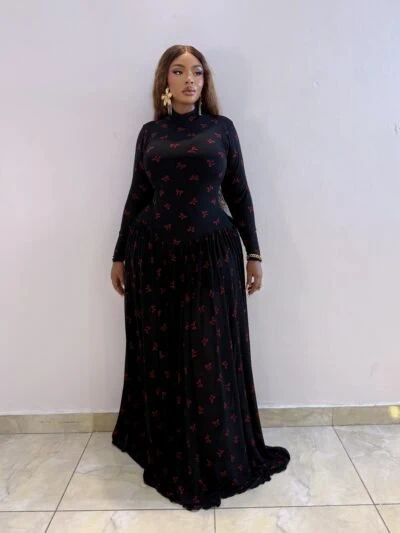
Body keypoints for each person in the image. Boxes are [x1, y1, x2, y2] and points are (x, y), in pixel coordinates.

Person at [110, 44, 290, 511]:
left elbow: (240, 193)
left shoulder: (222, 129)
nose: (189, 79)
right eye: (178, 71)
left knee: (208, 353)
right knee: (163, 350)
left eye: (197, 72)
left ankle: (216, 453)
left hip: (212, 257)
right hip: (154, 257)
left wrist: (254, 253)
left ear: (205, 82)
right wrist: (119, 254)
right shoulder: (150, 133)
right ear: (164, 82)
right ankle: (166, 444)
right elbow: (137, 194)